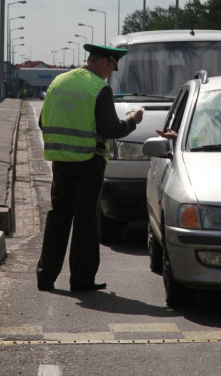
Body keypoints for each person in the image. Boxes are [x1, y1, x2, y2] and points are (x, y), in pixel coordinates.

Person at [36, 44, 144, 292]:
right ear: (104, 62)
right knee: (86, 220)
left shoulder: (59, 81)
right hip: (88, 161)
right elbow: (110, 130)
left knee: (58, 217)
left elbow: (43, 121)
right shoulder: (99, 88)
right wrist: (132, 121)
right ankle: (82, 280)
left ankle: (46, 276)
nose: (111, 75)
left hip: (60, 160)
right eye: (112, 69)